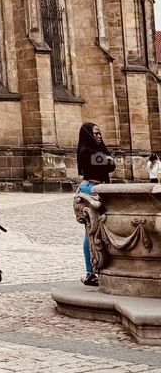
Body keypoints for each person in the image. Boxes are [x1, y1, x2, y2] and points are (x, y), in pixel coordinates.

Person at [77, 122, 115, 287]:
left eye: (100, 133)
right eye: (96, 134)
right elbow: (109, 163)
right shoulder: (87, 151)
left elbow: (111, 164)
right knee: (91, 232)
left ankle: (97, 269)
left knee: (98, 231)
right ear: (88, 135)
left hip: (99, 187)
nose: (99, 136)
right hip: (91, 189)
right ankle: (90, 272)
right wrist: (108, 160)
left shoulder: (95, 151)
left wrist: (108, 160)